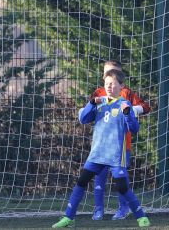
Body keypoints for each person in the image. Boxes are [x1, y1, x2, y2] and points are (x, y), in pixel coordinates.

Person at [52, 69, 150, 228]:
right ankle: (68, 217)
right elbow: (83, 119)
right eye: (106, 84)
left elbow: (134, 128)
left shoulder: (125, 105)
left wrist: (127, 114)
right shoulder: (98, 102)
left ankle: (141, 216)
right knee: (81, 181)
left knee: (122, 187)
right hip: (97, 154)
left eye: (112, 84)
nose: (109, 87)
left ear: (121, 86)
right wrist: (91, 104)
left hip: (115, 155)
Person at [88, 60, 151, 221]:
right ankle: (98, 209)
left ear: (121, 78)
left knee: (121, 179)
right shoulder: (98, 93)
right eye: (106, 73)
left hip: (122, 146)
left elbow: (146, 107)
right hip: (101, 146)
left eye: (114, 73)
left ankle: (123, 208)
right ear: (103, 76)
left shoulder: (127, 94)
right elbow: (88, 112)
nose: (110, 77)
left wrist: (131, 110)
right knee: (99, 177)